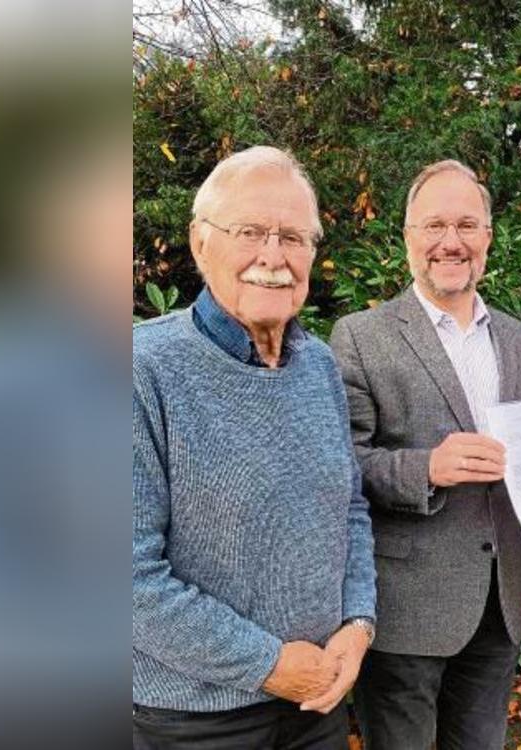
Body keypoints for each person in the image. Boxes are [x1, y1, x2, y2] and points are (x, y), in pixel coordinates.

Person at [132, 146, 376, 749]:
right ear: (199, 243)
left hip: (316, 700)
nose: (274, 257)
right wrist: (268, 664)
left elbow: (350, 510)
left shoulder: (319, 365)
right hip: (195, 718)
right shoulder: (138, 370)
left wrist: (358, 625)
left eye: (294, 237)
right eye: (250, 232)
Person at [329, 159, 521, 750]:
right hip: (406, 605)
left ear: (488, 236)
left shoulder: (519, 339)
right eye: (433, 226)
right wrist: (425, 468)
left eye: (467, 224)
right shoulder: (360, 335)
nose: (450, 242)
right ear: (407, 238)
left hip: (500, 601)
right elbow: (341, 462)